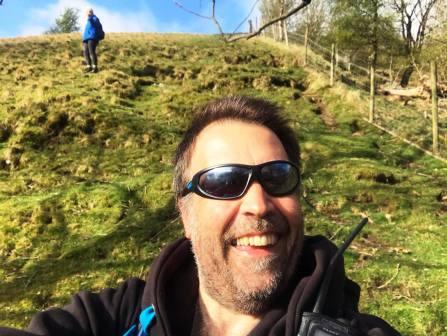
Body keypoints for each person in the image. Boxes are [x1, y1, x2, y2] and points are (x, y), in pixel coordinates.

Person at [0, 96, 400, 336]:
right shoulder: (120, 314)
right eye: (225, 182)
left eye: (278, 177)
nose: (259, 205)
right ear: (186, 214)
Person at [82, 8, 102, 73]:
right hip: (86, 38)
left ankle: (95, 67)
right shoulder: (88, 20)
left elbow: (94, 24)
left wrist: (90, 17)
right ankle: (89, 67)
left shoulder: (95, 18)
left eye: (89, 12)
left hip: (92, 38)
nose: (88, 13)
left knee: (91, 52)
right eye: (87, 12)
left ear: (92, 12)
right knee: (85, 52)